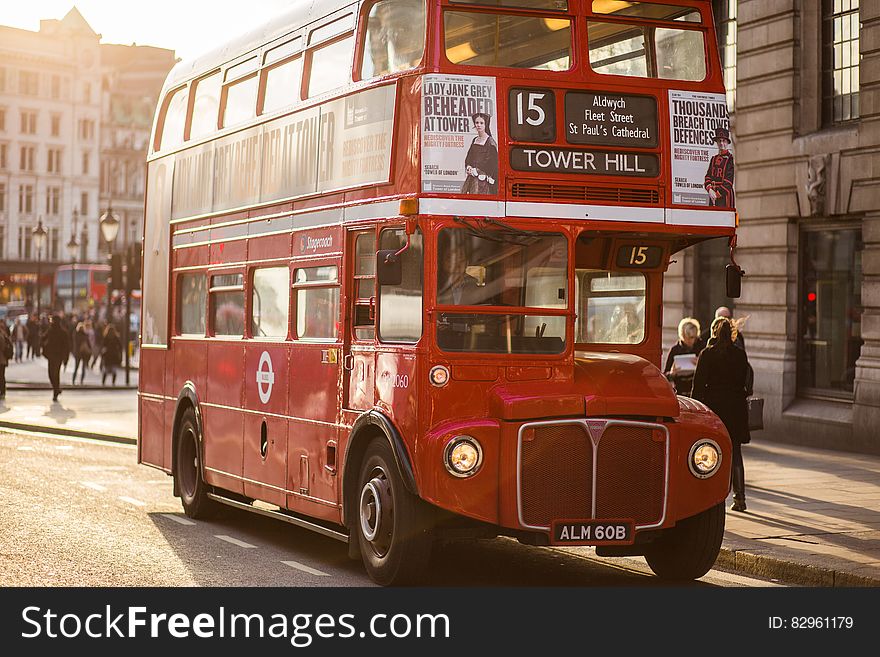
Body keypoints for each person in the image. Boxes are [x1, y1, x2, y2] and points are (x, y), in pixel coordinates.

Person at [691, 317, 751, 512]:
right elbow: (745, 382)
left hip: (714, 409)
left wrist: (696, 411)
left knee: (710, 451)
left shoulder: (707, 354)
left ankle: (710, 498)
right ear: (732, 333)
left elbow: (698, 386)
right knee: (735, 452)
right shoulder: (740, 355)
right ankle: (740, 498)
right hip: (735, 408)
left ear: (714, 333)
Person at [461, 113, 498, 195]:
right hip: (472, 178)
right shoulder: (475, 140)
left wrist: (477, 170)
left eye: (481, 123)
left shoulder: (490, 142)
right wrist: (468, 166)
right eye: (477, 123)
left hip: (483, 181)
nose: (478, 125)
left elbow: (492, 163)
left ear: (486, 124)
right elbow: (469, 157)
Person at [664, 317, 701, 395]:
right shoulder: (675, 350)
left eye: (694, 337)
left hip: (696, 390)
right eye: (689, 337)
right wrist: (672, 374)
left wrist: (701, 363)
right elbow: (665, 376)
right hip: (680, 390)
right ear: (682, 336)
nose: (692, 340)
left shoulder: (701, 348)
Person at [704, 127, 735, 208]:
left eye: (724, 141)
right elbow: (708, 176)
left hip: (725, 196)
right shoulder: (713, 159)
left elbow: (728, 182)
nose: (721, 143)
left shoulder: (730, 159)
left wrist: (717, 194)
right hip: (712, 194)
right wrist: (710, 190)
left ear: (727, 143)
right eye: (719, 141)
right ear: (717, 143)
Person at [42, 315, 70, 402]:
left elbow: (66, 347)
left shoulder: (62, 332)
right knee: (52, 374)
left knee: (54, 374)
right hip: (54, 355)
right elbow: (43, 338)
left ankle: (55, 392)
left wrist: (66, 358)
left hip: (57, 356)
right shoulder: (51, 330)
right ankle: (56, 389)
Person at [0, 322, 12, 400]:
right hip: (3, 360)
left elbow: (2, 347)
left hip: (1, 359)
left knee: (1, 376)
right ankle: (3, 392)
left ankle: (2, 392)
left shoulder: (1, 336)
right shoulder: (4, 335)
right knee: (2, 376)